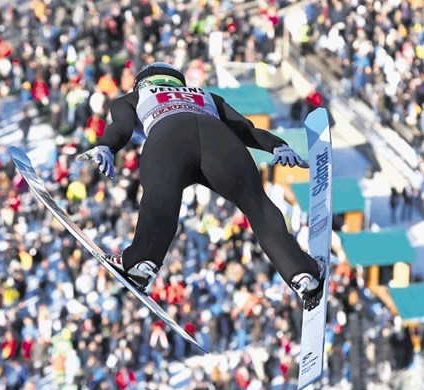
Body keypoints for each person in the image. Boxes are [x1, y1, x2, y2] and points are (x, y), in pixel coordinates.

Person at [77, 62, 324, 308]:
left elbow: (121, 126)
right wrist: (277, 144)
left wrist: (106, 145)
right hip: (219, 140)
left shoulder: (135, 96)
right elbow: (245, 129)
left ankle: (142, 262)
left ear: (142, 82)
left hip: (168, 137)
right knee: (257, 205)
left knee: (160, 201)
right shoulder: (205, 95)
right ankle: (302, 274)